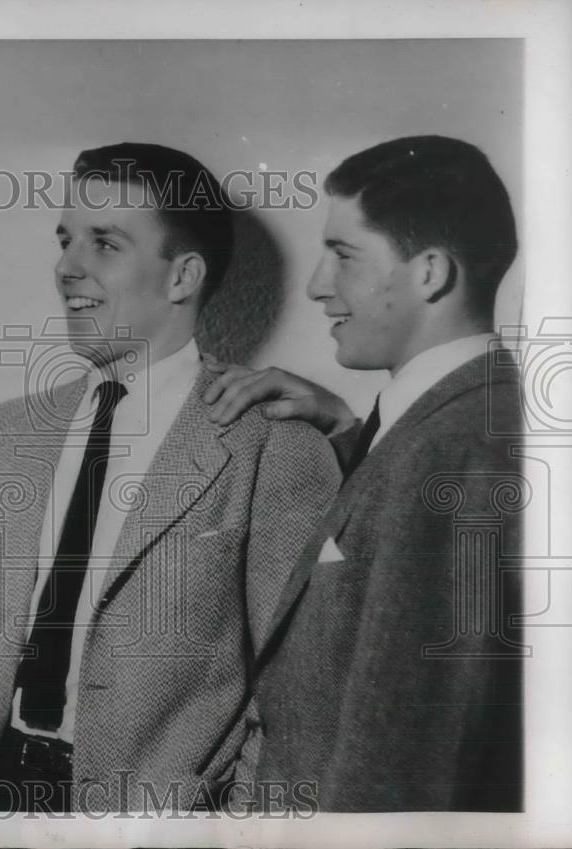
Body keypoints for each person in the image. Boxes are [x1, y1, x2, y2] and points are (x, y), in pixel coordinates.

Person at [0, 143, 340, 814]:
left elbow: (297, 704)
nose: (67, 267)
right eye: (66, 240)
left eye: (105, 244)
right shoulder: (1, 437)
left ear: (182, 277)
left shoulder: (276, 449)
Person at [204, 135, 525, 811]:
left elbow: (407, 769)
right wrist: (350, 431)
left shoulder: (456, 454)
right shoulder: (450, 426)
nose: (319, 286)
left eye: (344, 255)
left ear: (430, 272)